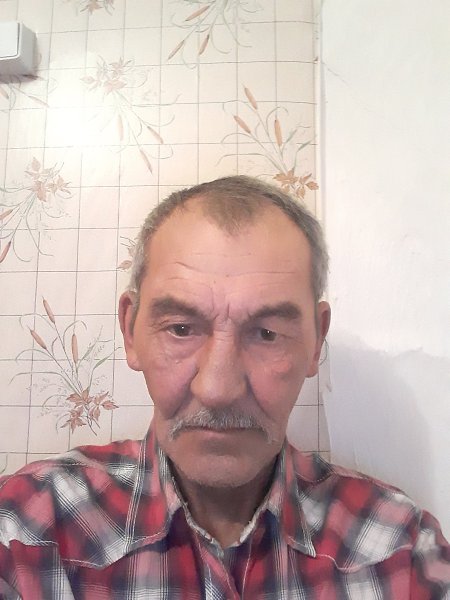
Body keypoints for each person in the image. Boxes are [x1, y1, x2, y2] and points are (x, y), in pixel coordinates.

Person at [0, 175, 448, 599]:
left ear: (316, 343)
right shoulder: (24, 531)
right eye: (180, 328)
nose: (217, 389)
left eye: (267, 334)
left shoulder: (403, 552)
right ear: (130, 330)